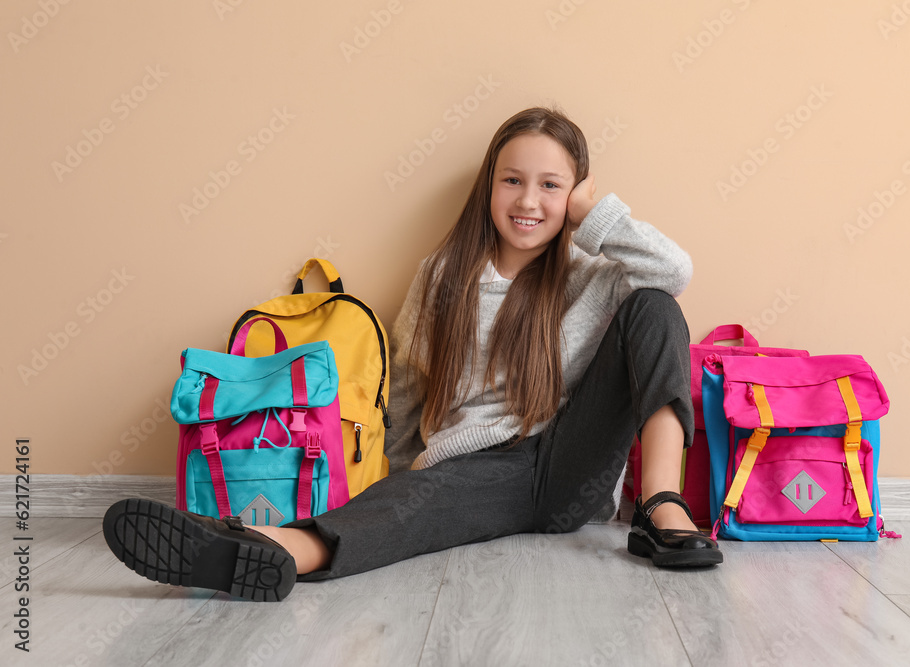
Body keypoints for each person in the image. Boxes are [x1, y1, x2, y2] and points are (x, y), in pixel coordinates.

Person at [103, 107, 722, 603]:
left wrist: (591, 213)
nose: (528, 201)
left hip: (573, 466)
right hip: (482, 469)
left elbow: (674, 270)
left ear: (575, 195)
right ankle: (265, 548)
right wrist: (387, 477)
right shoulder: (444, 275)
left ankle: (660, 507)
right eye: (512, 180)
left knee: (657, 307)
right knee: (412, 504)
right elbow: (403, 392)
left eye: (551, 186)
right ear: (488, 187)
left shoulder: (596, 274)